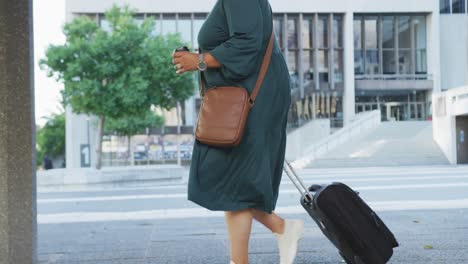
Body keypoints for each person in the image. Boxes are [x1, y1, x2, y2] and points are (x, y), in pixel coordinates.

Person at [172, 0, 303, 263]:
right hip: (250, 94)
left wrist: (198, 61)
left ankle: (280, 230)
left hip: (251, 96)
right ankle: (278, 232)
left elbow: (247, 42)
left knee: (231, 180)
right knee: (234, 183)